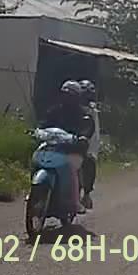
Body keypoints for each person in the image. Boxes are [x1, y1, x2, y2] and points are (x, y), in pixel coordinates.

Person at [45, 80, 94, 213]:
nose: (66, 98)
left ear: (76, 97)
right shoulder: (55, 111)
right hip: (54, 148)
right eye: (64, 94)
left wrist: (82, 137)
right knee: (36, 159)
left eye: (70, 95)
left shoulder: (83, 114)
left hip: (73, 150)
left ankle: (75, 201)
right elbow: (44, 124)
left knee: (73, 166)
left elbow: (88, 128)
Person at [77, 79, 100, 209]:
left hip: (88, 141)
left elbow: (94, 132)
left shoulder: (92, 110)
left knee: (88, 164)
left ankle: (86, 194)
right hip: (71, 139)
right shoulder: (71, 106)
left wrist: (90, 149)